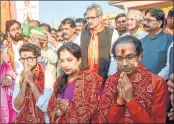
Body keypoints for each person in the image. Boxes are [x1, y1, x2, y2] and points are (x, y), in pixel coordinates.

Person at [98, 35, 168, 123]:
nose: (124, 64)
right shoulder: (110, 81)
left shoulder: (157, 83)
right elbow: (105, 120)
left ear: (139, 56)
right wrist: (119, 101)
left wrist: (130, 101)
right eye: (119, 58)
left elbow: (158, 121)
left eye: (130, 57)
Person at [47, 42, 102, 123]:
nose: (65, 65)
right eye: (62, 61)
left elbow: (95, 110)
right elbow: (51, 106)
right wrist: (56, 112)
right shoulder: (59, 80)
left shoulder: (91, 79)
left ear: (79, 60)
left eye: (69, 60)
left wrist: (69, 107)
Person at [12, 43, 54, 123]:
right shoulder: (19, 77)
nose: (25, 63)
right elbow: (16, 107)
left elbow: (45, 107)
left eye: (29, 58)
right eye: (23, 59)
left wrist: (31, 82)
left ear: (38, 59)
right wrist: (24, 82)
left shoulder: (47, 75)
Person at [80, 4, 119, 80]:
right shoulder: (82, 34)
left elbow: (115, 57)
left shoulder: (112, 33)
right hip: (86, 78)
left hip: (106, 77)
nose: (89, 21)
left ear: (100, 17)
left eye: (92, 18)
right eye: (87, 18)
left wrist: (110, 76)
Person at [141, 8, 173, 75]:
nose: (144, 23)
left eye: (148, 20)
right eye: (144, 19)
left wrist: (156, 81)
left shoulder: (170, 39)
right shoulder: (140, 41)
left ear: (159, 23)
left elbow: (170, 66)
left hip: (162, 82)